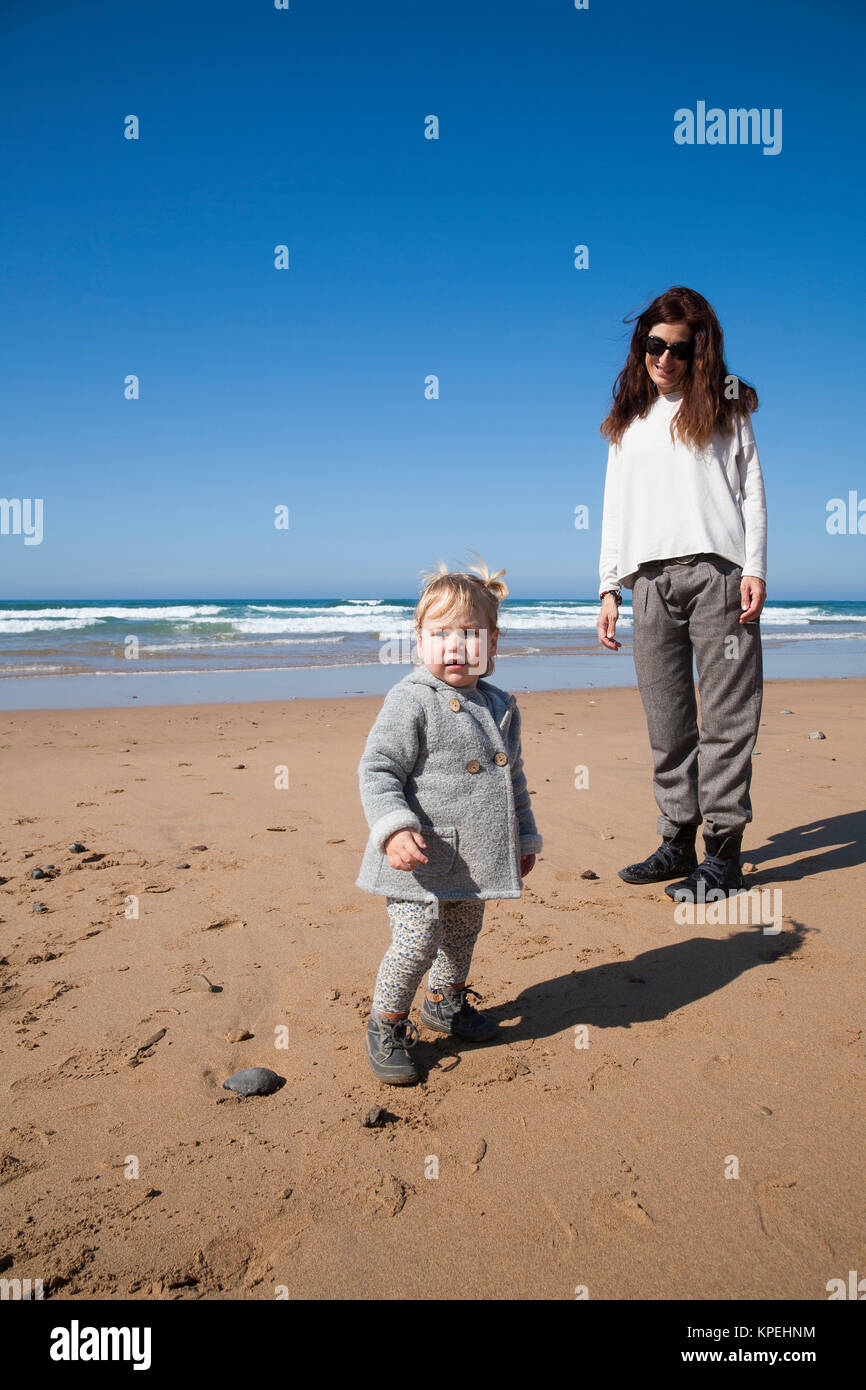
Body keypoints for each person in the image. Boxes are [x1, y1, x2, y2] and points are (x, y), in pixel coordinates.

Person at [596, 286, 767, 901]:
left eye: (679, 348)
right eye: (653, 345)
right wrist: (608, 588)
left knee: (726, 720)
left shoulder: (727, 407)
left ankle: (723, 855)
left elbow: (751, 490)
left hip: (718, 576)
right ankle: (677, 842)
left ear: (701, 352)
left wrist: (756, 567)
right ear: (641, 345)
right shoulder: (628, 423)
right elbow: (613, 510)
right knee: (667, 723)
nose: (664, 358)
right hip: (647, 585)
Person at [356, 556, 542, 1084]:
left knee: (463, 934)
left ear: (494, 644)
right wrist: (393, 827)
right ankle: (386, 1022)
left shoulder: (501, 704)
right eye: (441, 634)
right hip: (418, 857)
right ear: (419, 643)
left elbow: (515, 781)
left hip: (477, 855)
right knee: (416, 940)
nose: (456, 646)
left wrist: (524, 836)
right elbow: (378, 769)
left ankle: (444, 1001)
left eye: (472, 634)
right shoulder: (410, 700)